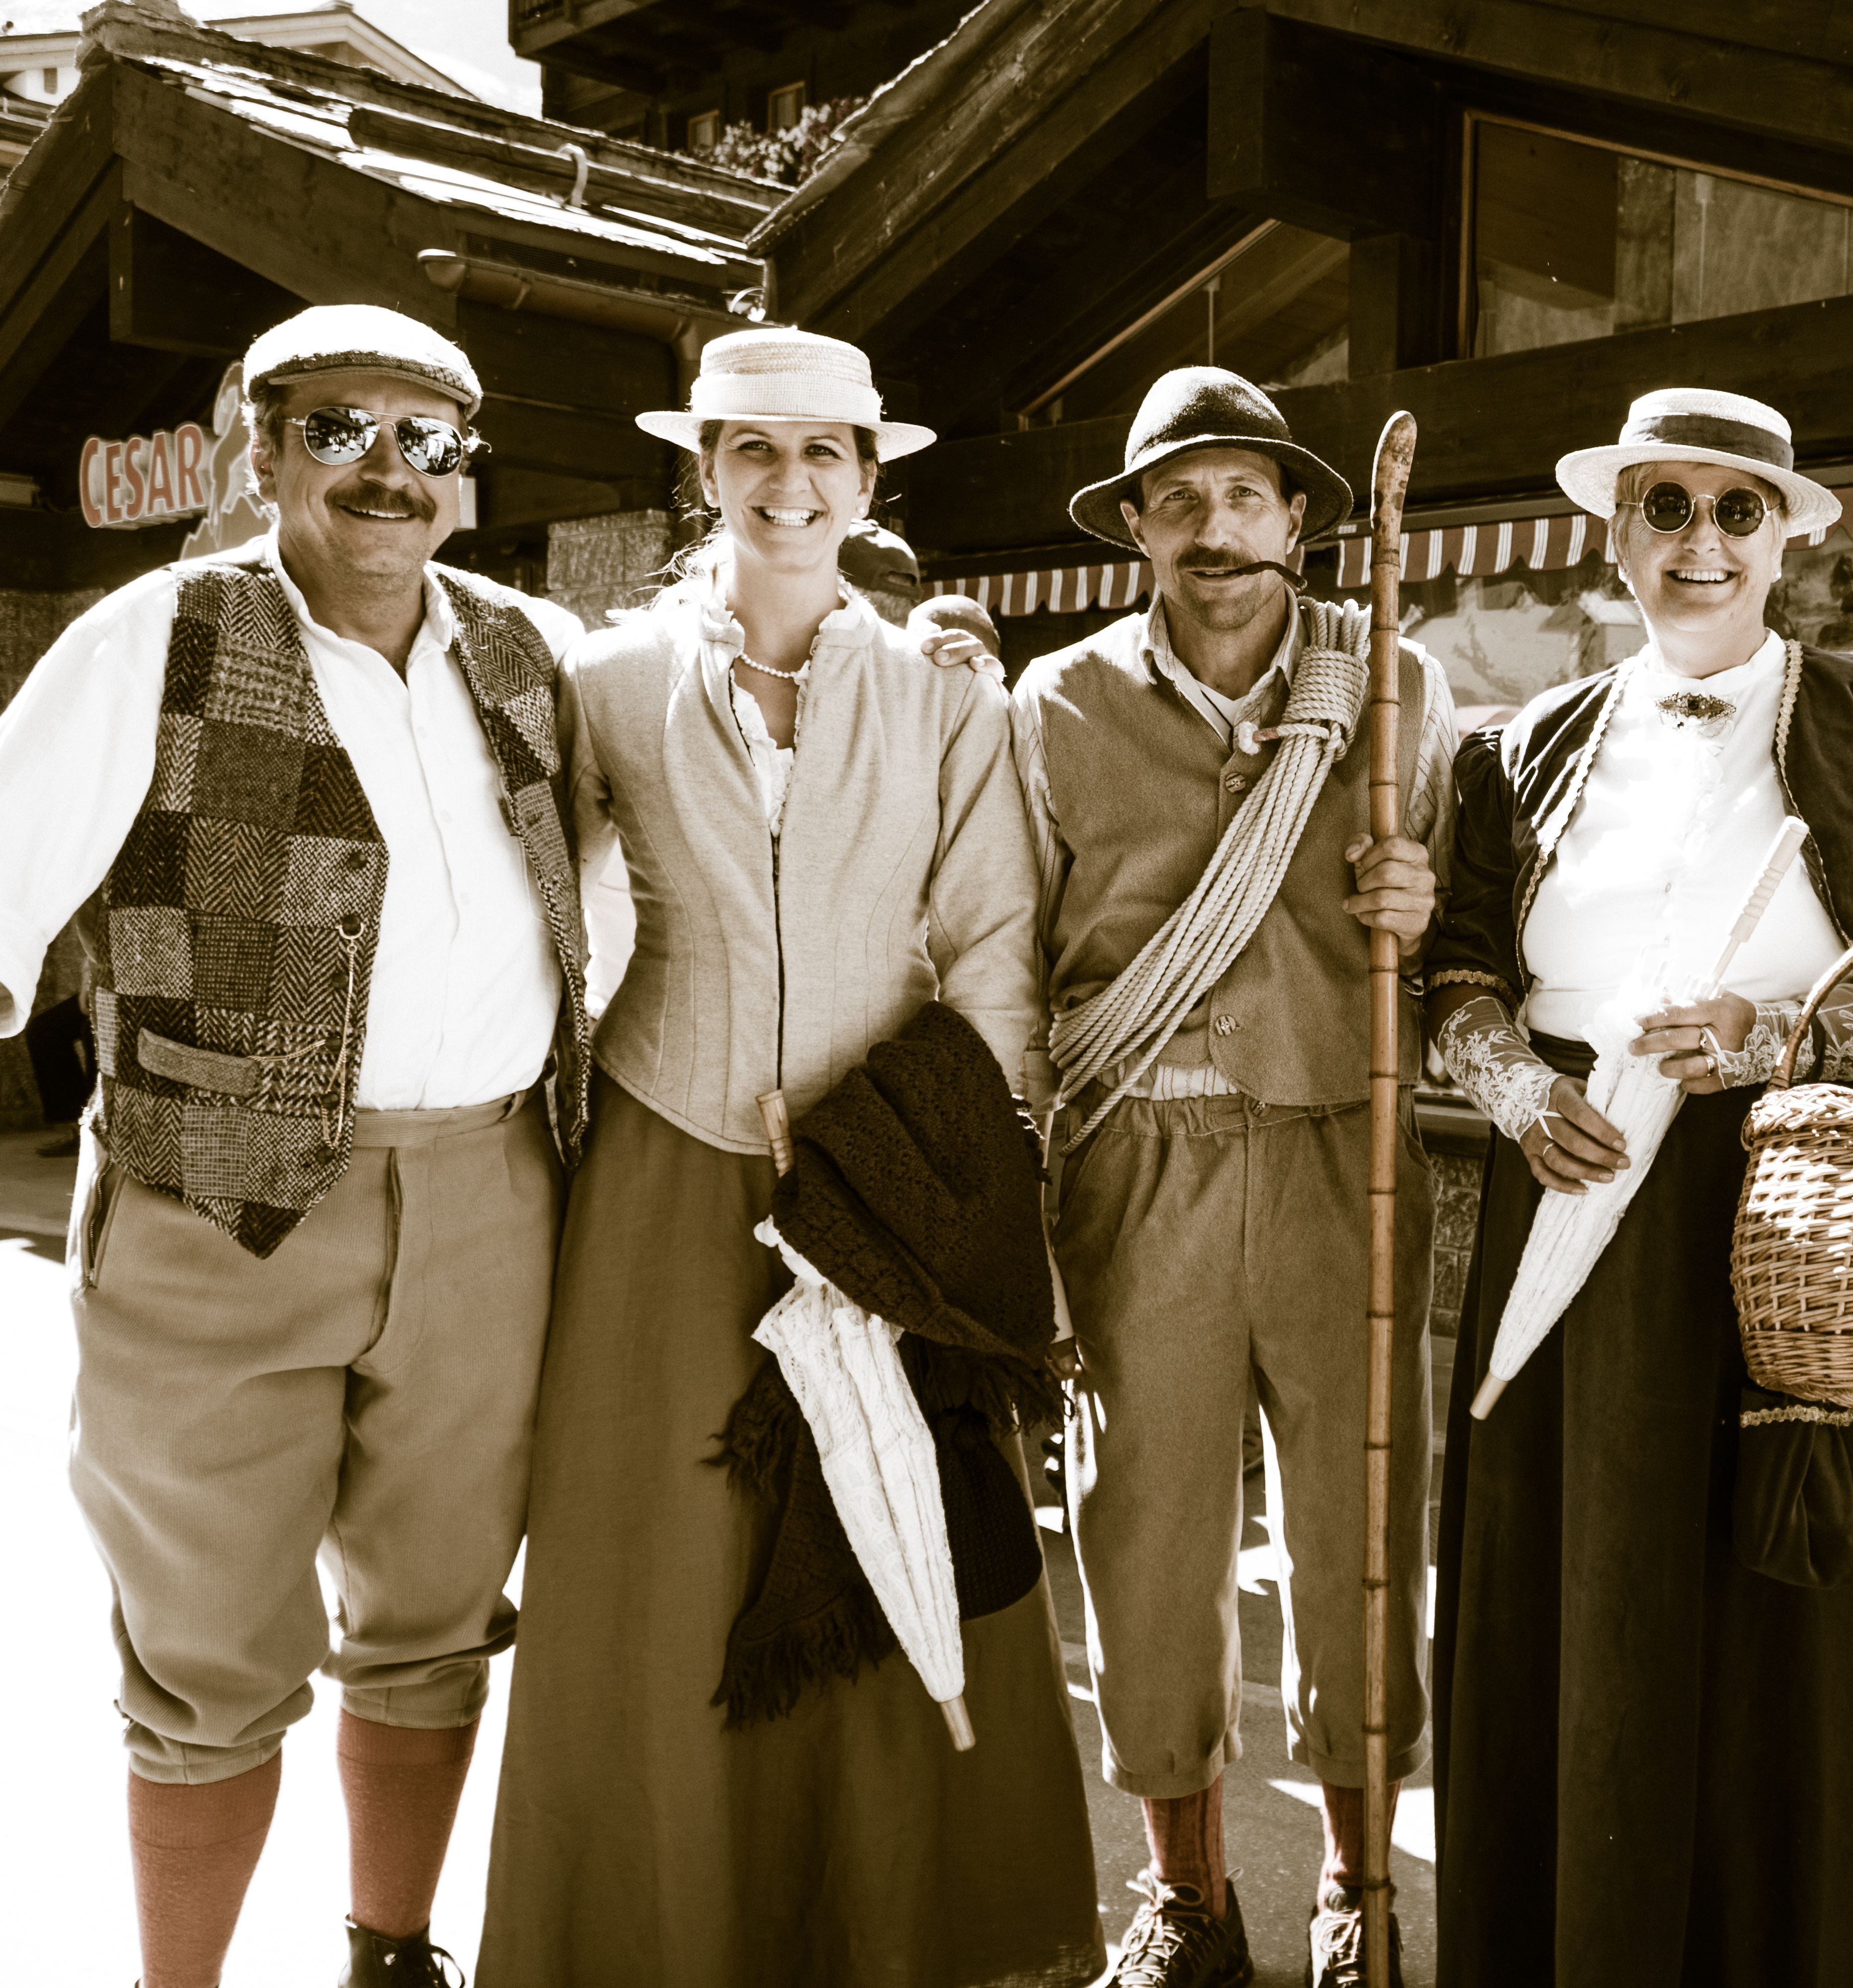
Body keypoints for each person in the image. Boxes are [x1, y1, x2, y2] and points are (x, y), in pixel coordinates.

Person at [480, 327, 1103, 1988]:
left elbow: (994, 949)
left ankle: (888, 1937)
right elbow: (540, 904)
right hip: (662, 1169)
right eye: (754, 450)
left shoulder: (944, 699)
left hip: (889, 1167)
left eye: (825, 450)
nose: (790, 482)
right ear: (705, 471)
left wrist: (938, 1171)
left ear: (868, 477)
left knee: (895, 1521)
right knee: (663, 1550)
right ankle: (657, 1937)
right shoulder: (607, 684)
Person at [0, 304, 593, 1988]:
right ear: (259, 452)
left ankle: (391, 1956)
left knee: (436, 1622)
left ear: (465, 471)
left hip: (492, 1194)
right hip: (211, 1208)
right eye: (339, 428)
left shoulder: (533, 653)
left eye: (428, 438)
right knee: (204, 1655)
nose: (387, 470)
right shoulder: (153, 639)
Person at [1425, 386, 1853, 1986]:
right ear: (1616, 533)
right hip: (1572, 1199)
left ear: (1786, 539)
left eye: (1737, 509)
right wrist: (1512, 1087)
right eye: (1664, 505)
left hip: (1795, 1205)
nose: (1701, 541)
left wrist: (1786, 1035)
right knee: (1577, 1593)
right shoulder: (1518, 745)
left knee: (1788, 1610)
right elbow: (1455, 970)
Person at [1006, 366, 1452, 1988]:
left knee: (1361, 1532)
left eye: (1245, 496)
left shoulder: (1395, 683)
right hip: (1142, 1160)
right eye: (1180, 500)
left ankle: (1354, 1888)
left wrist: (1418, 900)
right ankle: (1187, 1895)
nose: (1215, 529)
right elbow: (1008, 957)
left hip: (1345, 1150)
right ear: (1135, 527)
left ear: (1300, 522)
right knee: (1147, 1540)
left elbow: (1462, 941)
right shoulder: (1055, 704)